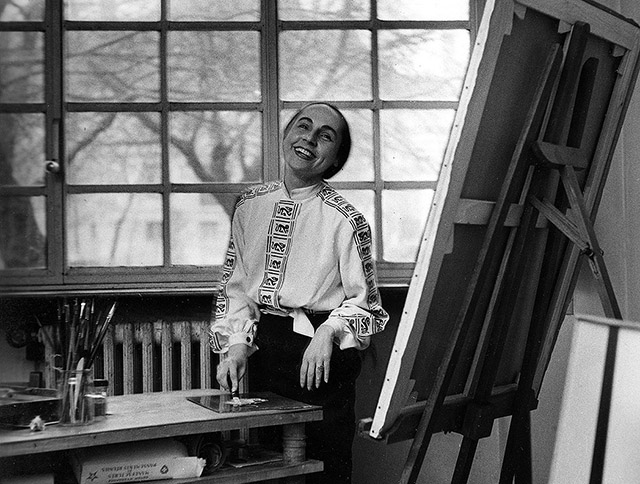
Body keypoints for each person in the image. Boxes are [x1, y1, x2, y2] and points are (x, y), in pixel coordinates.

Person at [209, 102, 389, 483]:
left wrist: (328, 332)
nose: (309, 138)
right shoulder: (249, 207)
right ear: (286, 134)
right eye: (303, 126)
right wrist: (237, 344)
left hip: (322, 358)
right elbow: (237, 286)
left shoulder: (347, 220)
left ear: (335, 157)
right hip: (268, 354)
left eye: (325, 136)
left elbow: (367, 306)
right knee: (268, 469)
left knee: (324, 470)